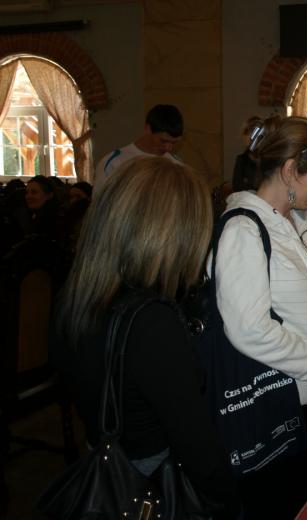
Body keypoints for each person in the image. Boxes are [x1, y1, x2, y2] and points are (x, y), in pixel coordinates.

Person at [52, 156, 240, 517]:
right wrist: (229, 503)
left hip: (102, 463)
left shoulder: (74, 296)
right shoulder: (153, 322)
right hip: (150, 482)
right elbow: (197, 446)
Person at [211, 116, 307, 519]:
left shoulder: (302, 224)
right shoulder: (243, 229)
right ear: (291, 170)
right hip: (270, 400)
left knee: (301, 500)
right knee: (274, 506)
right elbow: (250, 330)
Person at [93, 104, 183, 191]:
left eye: (174, 143)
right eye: (163, 141)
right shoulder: (115, 163)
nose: (168, 148)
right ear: (148, 129)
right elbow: (100, 199)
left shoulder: (176, 164)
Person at [232, 115, 279, 192]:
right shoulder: (241, 160)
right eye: (247, 132)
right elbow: (237, 188)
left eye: (252, 132)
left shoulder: (269, 159)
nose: (249, 137)